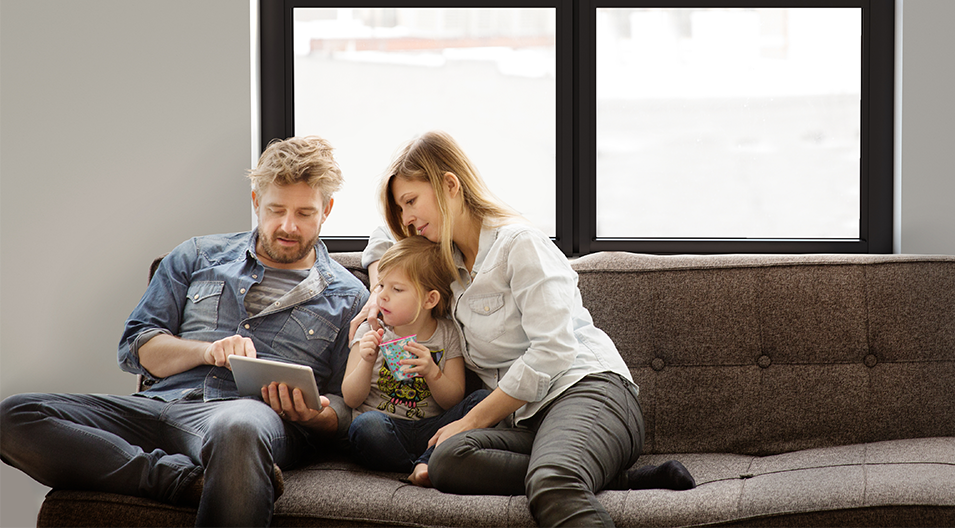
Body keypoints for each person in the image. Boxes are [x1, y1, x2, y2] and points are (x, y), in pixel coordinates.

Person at [0, 136, 369, 528]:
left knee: (239, 427)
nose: (287, 226)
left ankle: (187, 472)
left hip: (247, 417)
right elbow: (138, 346)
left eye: (304, 213)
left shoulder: (349, 297)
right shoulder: (197, 256)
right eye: (276, 209)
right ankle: (181, 480)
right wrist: (205, 351)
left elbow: (351, 405)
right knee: (15, 415)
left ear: (327, 210)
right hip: (159, 405)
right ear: (256, 201)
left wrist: (317, 416)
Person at [366, 130, 693, 528]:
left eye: (412, 202)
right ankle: (614, 478)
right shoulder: (445, 263)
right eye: (401, 208)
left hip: (585, 391)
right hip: (526, 419)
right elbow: (384, 237)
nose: (407, 218)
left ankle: (569, 474)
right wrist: (376, 287)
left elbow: (552, 351)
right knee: (448, 460)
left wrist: (470, 420)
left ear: (450, 184)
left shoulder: (519, 244)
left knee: (553, 483)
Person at [343, 235, 489, 484]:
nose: (382, 296)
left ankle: (427, 458)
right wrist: (367, 362)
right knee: (366, 427)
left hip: (432, 427)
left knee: (483, 401)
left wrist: (432, 372)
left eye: (396, 289)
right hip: (385, 426)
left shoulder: (447, 333)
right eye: (381, 286)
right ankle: (425, 462)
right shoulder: (369, 331)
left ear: (429, 299)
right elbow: (351, 398)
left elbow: (452, 400)